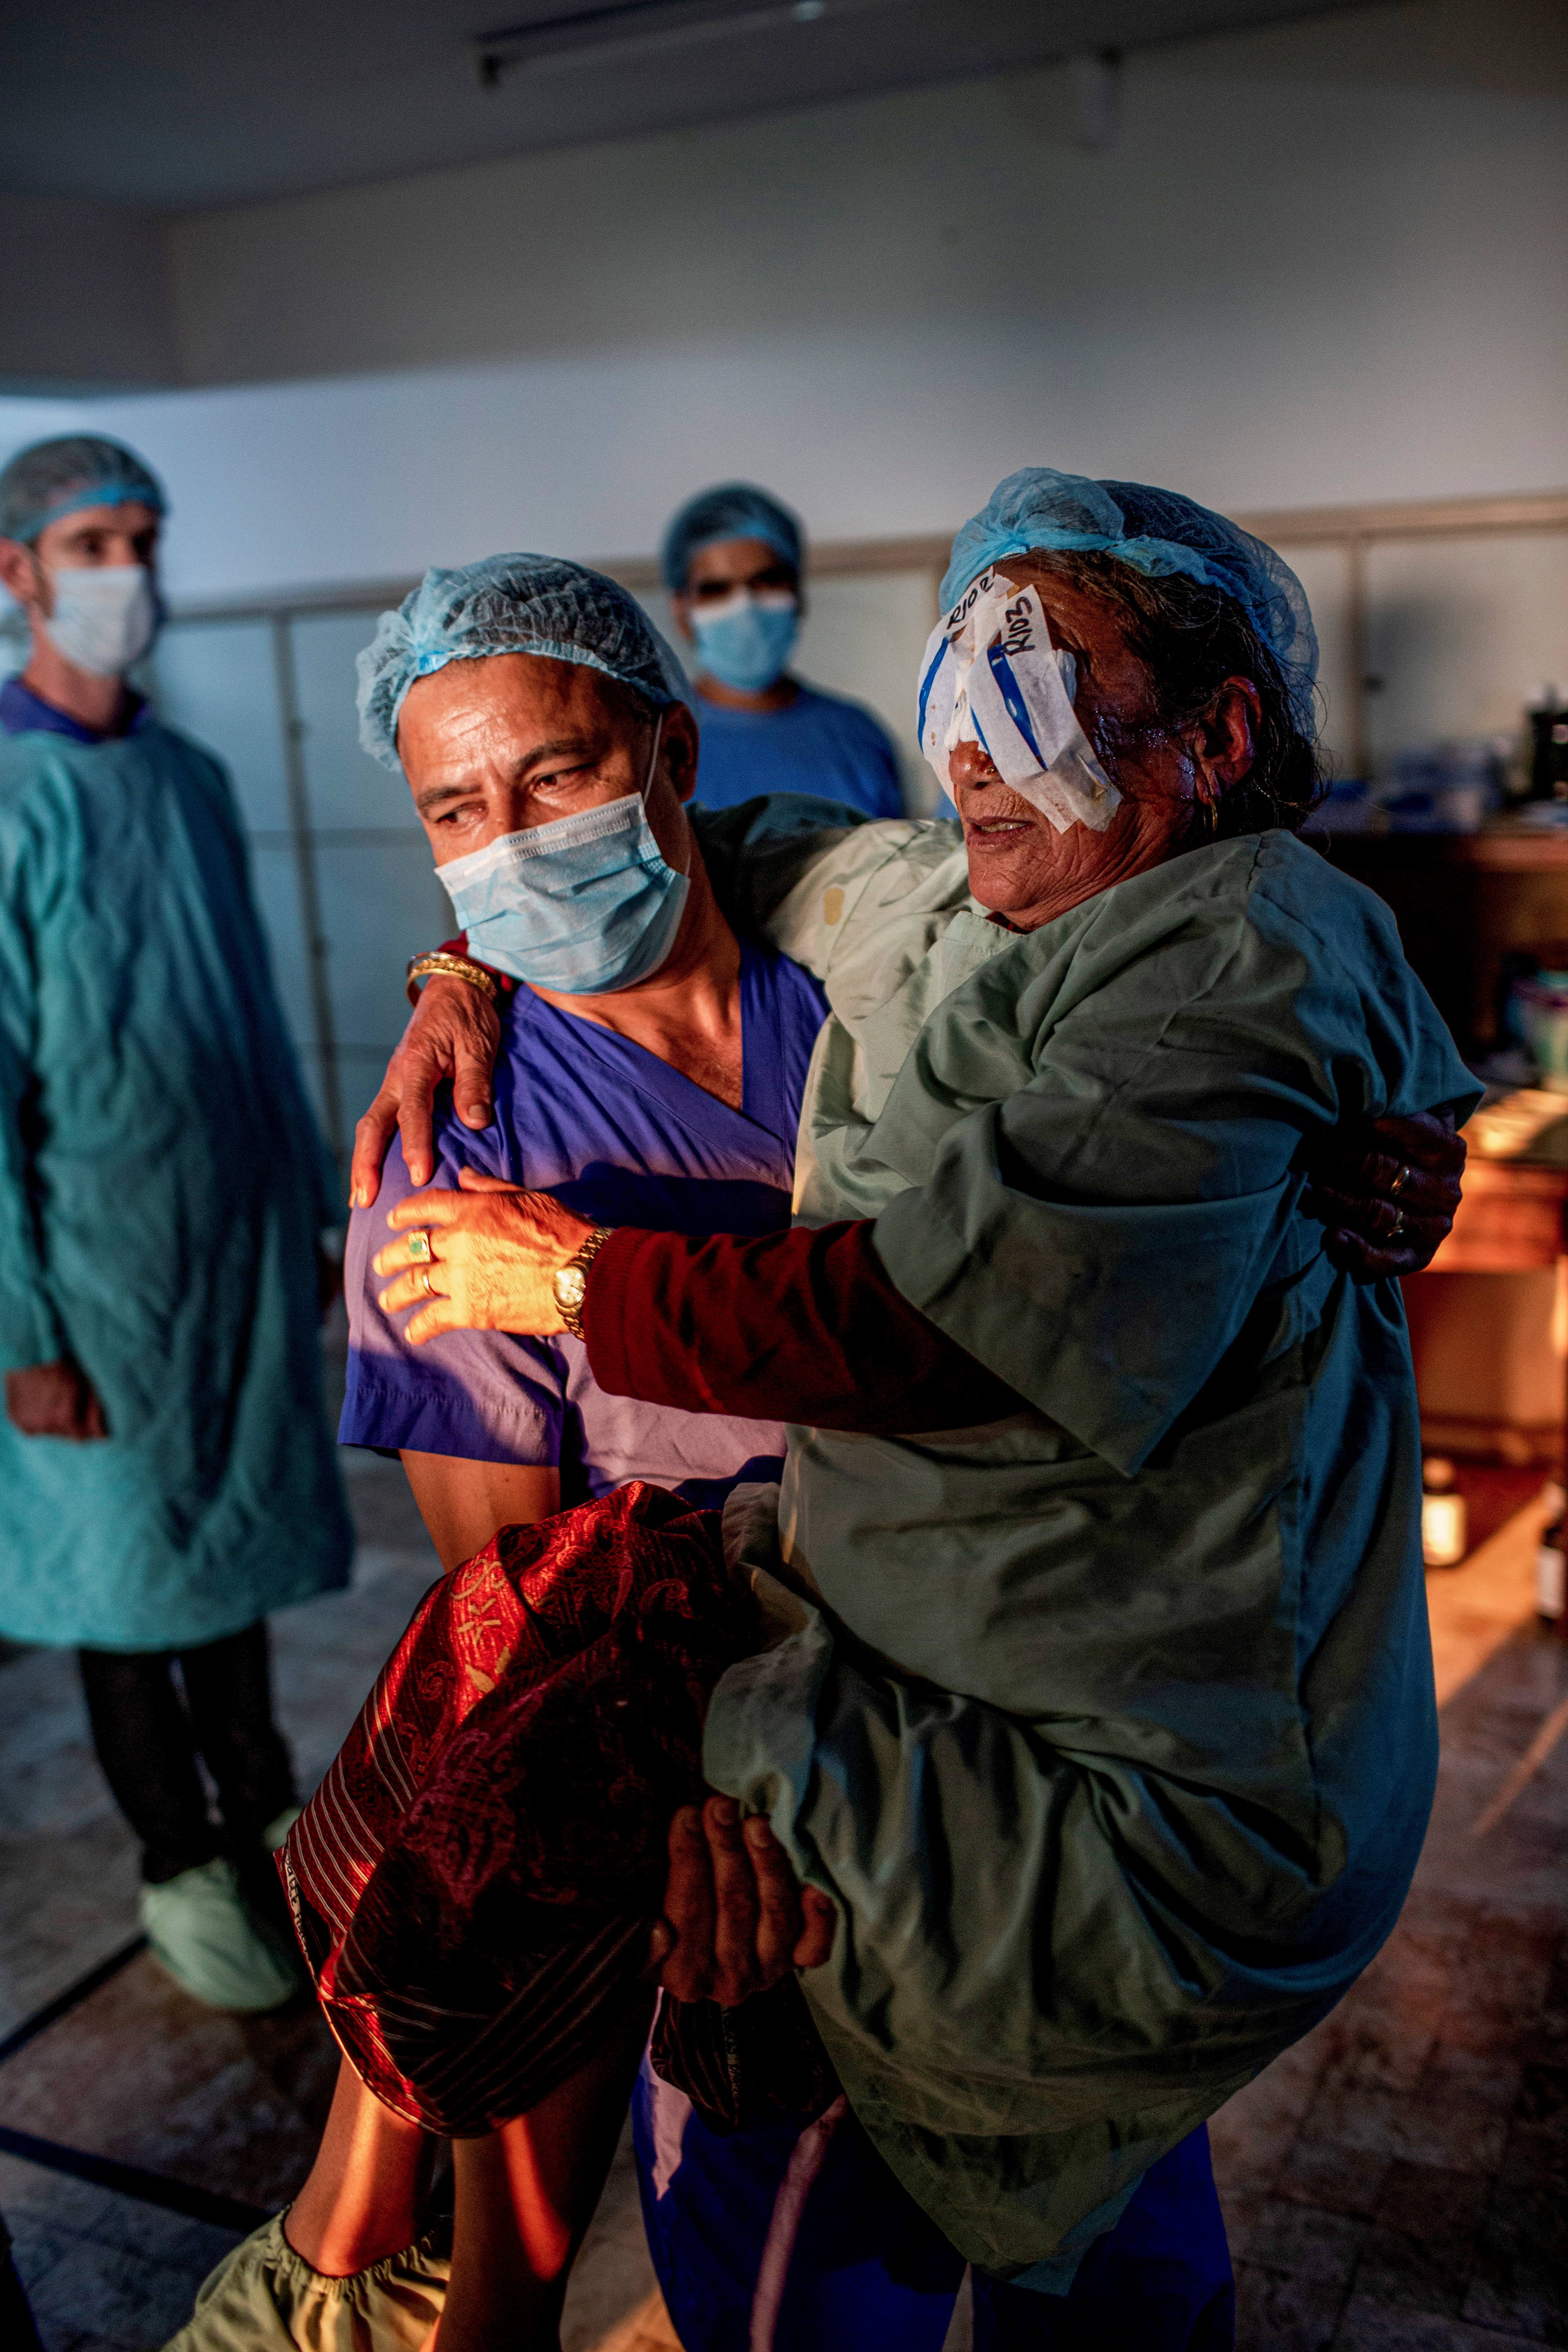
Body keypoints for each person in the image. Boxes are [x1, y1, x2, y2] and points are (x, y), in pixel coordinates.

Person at [180, 500, 1463, 2352]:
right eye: (457, 816)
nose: (519, 848)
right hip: (782, 1847)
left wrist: (1373, 1145)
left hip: (1066, 1768)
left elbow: (1007, 1259)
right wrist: (450, 973)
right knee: (796, 2292)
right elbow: (533, 1622)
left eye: (561, 779)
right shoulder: (468, 1138)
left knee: (1107, 2245)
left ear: (666, 756)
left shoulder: (959, 955)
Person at [0, 434, 353, 2014]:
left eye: (143, 535)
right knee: (129, 1585)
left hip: (232, 1256)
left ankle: (272, 1819)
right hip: (92, 1276)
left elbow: (246, 1025)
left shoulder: (192, 777)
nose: (125, 569)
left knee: (232, 1562)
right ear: (16, 572)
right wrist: (24, 1335)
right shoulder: (12, 800)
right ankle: (181, 1858)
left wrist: (311, 1205)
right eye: (91, 540)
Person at [663, 481, 906, 820]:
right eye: (716, 590)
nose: (744, 607)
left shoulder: (858, 738)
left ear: (799, 596)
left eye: (765, 582)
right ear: (681, 612)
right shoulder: (658, 743)